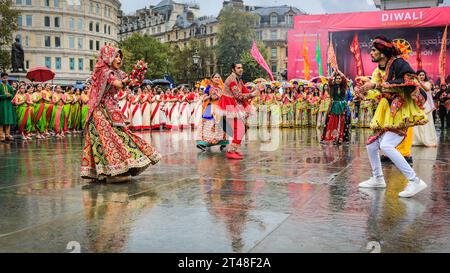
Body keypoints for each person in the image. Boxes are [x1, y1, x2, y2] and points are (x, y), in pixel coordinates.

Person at [356, 36, 428, 198]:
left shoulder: (399, 63)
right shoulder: (377, 71)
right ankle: (378, 178)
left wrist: (376, 85)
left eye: (374, 50)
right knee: (372, 145)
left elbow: (406, 82)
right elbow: (376, 92)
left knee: (387, 146)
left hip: (401, 111)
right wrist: (364, 92)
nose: (371, 53)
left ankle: (414, 180)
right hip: (386, 112)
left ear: (383, 52)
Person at [80, 45, 161, 182]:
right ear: (108, 57)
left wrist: (138, 73)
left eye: (120, 57)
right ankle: (111, 171)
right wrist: (132, 76)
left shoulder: (116, 72)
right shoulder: (103, 71)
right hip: (99, 110)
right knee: (105, 138)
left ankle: (111, 170)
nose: (119, 59)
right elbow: (119, 84)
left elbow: (132, 83)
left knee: (119, 135)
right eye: (116, 56)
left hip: (112, 108)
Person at [216, 63, 258, 160]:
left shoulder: (239, 79)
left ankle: (233, 150)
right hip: (229, 106)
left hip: (234, 105)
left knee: (242, 128)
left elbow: (244, 91)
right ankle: (231, 151)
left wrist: (254, 92)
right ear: (233, 69)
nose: (241, 69)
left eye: (241, 68)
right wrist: (252, 95)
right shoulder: (231, 80)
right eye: (238, 68)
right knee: (240, 128)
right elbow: (238, 96)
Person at [196, 73, 229, 151]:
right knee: (207, 124)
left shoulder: (223, 88)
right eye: (215, 77)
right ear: (212, 79)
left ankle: (222, 142)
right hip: (210, 107)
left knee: (220, 124)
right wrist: (210, 96)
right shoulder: (208, 87)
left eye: (218, 77)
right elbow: (204, 98)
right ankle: (203, 143)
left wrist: (220, 96)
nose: (217, 78)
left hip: (220, 107)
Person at [321, 70, 351, 144]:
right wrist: (334, 72)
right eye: (337, 78)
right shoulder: (332, 86)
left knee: (342, 121)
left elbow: (344, 78)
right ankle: (333, 137)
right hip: (334, 105)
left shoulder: (343, 86)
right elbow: (330, 79)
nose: (338, 79)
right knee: (333, 121)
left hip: (342, 105)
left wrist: (339, 71)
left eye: (339, 78)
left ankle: (341, 137)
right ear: (335, 79)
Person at [413, 70, 437, 147]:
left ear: (425, 76)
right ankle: (416, 140)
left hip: (426, 105)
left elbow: (427, 89)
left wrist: (419, 82)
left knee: (427, 123)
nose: (421, 76)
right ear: (417, 76)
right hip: (417, 104)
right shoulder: (415, 83)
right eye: (419, 75)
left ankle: (428, 140)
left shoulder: (428, 83)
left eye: (423, 75)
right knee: (417, 123)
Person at [0, 72, 16, 141]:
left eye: (6, 78)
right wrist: (5, 95)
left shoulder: (10, 87)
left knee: (8, 120)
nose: (5, 79)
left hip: (8, 106)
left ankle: (7, 135)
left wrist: (10, 95)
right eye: (4, 78)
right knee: (1, 121)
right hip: (1, 105)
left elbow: (13, 96)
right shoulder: (0, 86)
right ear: (1, 78)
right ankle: (1, 136)